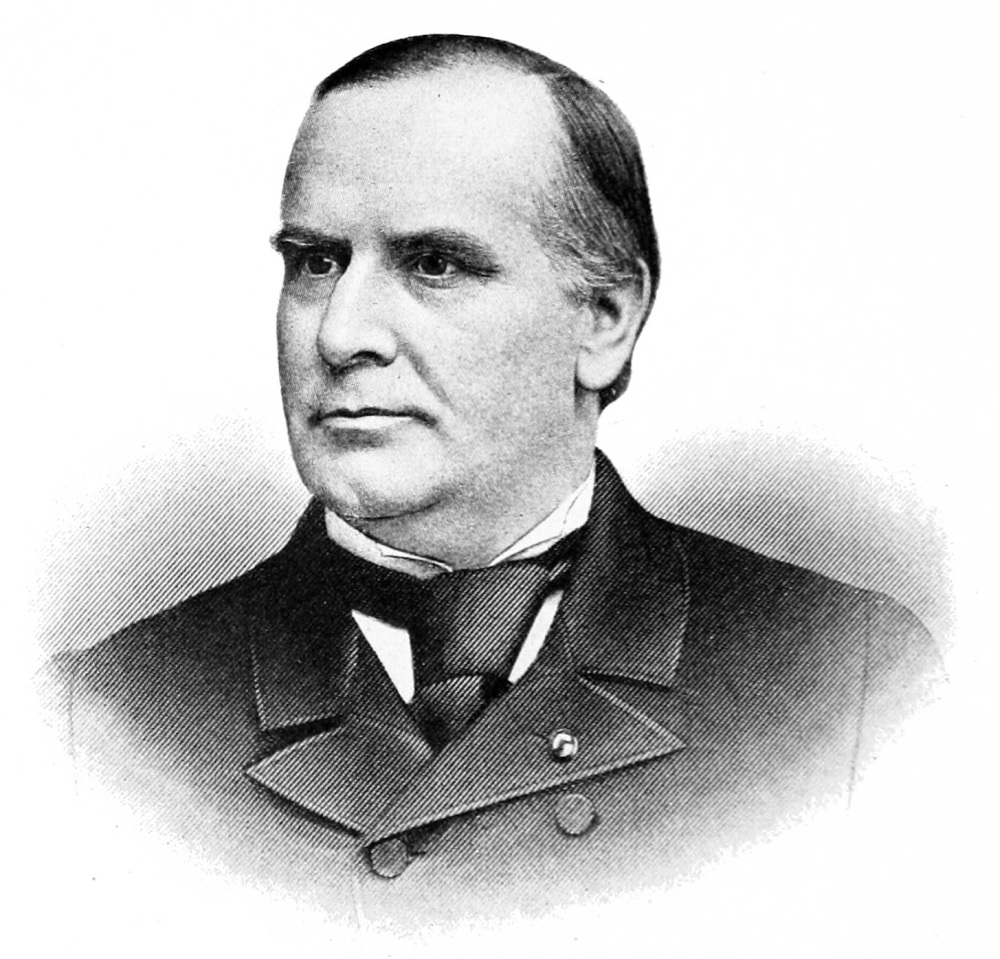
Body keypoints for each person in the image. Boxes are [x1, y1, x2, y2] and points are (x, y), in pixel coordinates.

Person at [43, 34, 942, 927]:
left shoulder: (852, 681)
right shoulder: (95, 723)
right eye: (316, 262)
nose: (340, 335)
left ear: (605, 319)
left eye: (434, 265)